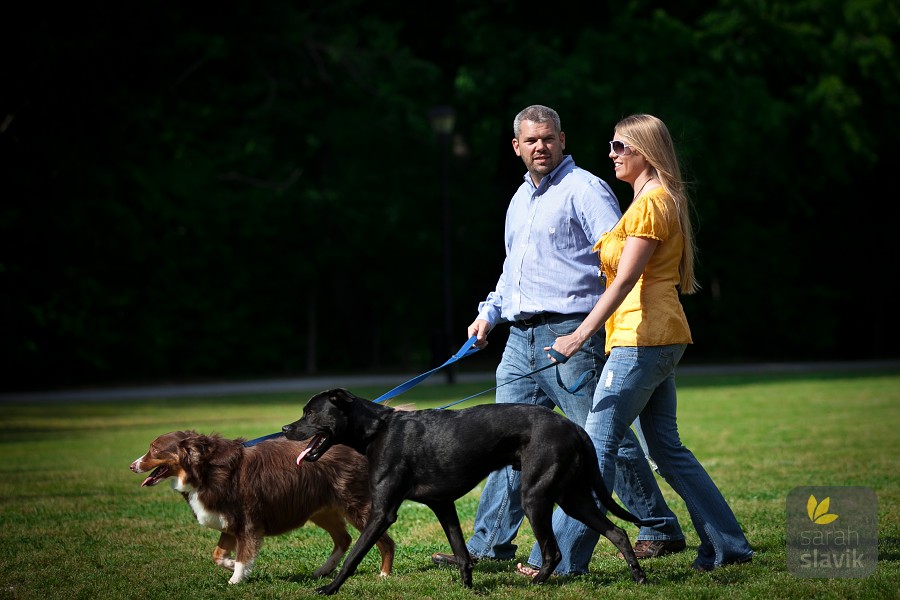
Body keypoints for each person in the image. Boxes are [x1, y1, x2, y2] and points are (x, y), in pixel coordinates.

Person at [430, 105, 686, 575]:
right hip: (519, 338)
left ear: (562, 140)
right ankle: (488, 544)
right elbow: (513, 272)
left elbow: (618, 259)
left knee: (599, 437)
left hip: (570, 335)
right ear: (516, 147)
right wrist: (488, 314)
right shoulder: (518, 200)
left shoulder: (586, 190)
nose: (540, 147)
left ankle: (657, 525)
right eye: (531, 141)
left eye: (548, 138)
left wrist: (589, 328)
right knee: (497, 443)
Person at [516, 113, 754, 576]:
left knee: (595, 447)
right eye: (612, 146)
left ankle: (559, 561)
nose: (612, 155)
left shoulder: (650, 205)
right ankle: (729, 546)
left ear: (645, 150)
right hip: (656, 337)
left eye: (620, 146)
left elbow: (625, 280)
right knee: (666, 451)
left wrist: (579, 333)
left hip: (641, 339)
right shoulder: (651, 201)